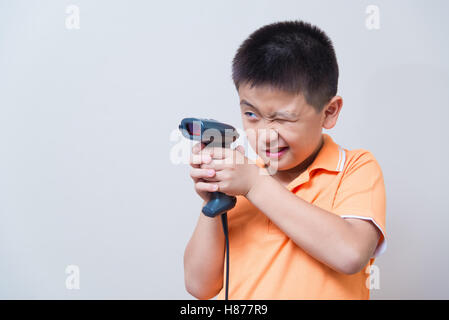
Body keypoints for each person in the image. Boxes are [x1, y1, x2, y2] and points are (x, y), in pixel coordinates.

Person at [183, 20, 386, 300]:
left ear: (329, 112)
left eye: (282, 118)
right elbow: (199, 286)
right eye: (251, 115)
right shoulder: (240, 183)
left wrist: (255, 184)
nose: (265, 135)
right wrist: (213, 205)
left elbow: (350, 254)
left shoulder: (355, 168)